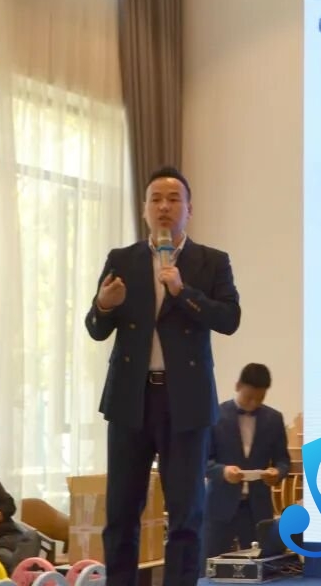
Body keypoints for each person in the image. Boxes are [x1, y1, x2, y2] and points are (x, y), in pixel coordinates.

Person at [85, 166, 241, 586]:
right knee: (121, 512)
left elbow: (229, 319)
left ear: (189, 209)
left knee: (187, 514)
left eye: (174, 199)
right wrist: (103, 304)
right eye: (156, 199)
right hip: (130, 399)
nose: (164, 207)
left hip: (185, 401)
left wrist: (183, 293)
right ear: (144, 209)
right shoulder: (122, 260)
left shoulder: (211, 261)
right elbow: (96, 328)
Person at [202, 364, 290, 562]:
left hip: (257, 509)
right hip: (219, 506)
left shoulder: (274, 419)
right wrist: (223, 471)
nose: (253, 403)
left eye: (260, 398)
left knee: (259, 565)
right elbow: (203, 460)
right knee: (210, 565)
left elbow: (283, 460)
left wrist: (277, 473)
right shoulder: (215, 415)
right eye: (249, 397)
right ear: (237, 386)